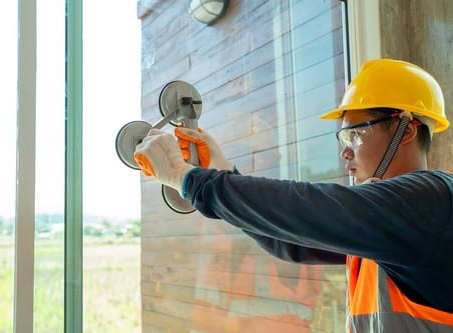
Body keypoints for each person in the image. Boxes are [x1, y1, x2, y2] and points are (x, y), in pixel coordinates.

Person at [133, 58, 453, 332]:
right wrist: (223, 173)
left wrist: (186, 177)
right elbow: (290, 242)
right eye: (343, 137)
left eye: (355, 134)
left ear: (406, 130)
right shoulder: (385, 229)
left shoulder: (432, 202)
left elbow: (304, 208)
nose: (344, 152)